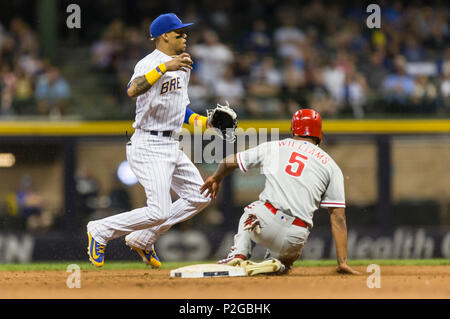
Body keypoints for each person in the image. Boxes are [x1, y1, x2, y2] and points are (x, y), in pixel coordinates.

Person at [87, 13, 216, 268]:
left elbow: (181, 111)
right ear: (165, 36)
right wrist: (163, 68)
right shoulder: (150, 63)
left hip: (171, 144)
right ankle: (100, 229)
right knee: (159, 211)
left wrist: (206, 124)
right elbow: (132, 90)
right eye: (179, 33)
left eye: (185, 32)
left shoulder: (184, 65)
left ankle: (144, 238)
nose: (185, 36)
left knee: (200, 197)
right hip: (148, 144)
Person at [200, 109, 360, 275]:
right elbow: (338, 217)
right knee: (286, 262)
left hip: (264, 221)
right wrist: (342, 262)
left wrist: (216, 178)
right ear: (319, 133)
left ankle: (238, 254)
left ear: (293, 129)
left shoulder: (276, 146)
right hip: (296, 235)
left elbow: (228, 162)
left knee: (252, 209)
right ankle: (280, 264)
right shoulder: (331, 166)